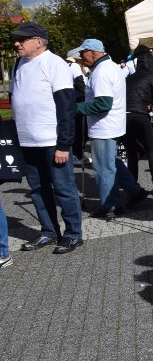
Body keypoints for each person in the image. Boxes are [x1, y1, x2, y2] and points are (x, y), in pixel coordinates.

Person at [10, 21, 84, 254]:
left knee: (63, 189)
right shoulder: (18, 64)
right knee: (38, 189)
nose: (17, 43)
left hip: (52, 142)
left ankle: (73, 234)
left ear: (38, 41)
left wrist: (64, 144)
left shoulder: (54, 64)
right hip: (27, 140)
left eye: (22, 39)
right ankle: (49, 231)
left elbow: (66, 108)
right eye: (17, 39)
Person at [73, 39, 149, 218]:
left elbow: (103, 104)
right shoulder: (112, 66)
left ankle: (111, 205)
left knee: (103, 167)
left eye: (82, 53)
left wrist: (76, 109)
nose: (81, 58)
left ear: (92, 53)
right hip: (112, 124)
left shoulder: (101, 72)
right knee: (112, 161)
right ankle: (134, 190)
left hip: (104, 127)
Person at [124, 47, 153, 196]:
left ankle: (133, 185)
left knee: (132, 152)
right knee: (151, 148)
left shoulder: (129, 77)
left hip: (125, 116)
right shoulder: (151, 77)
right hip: (141, 114)